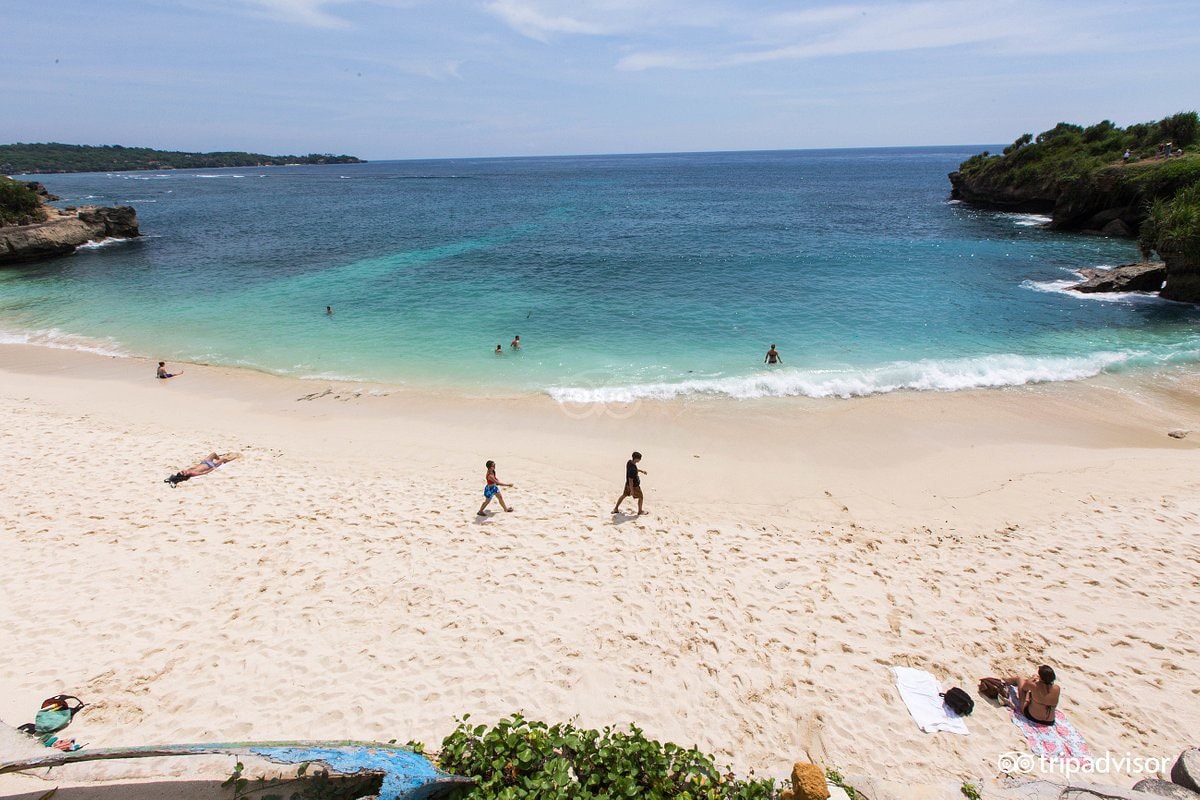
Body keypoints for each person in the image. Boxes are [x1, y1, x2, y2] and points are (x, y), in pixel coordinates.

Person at [165, 452, 242, 486]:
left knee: (213, 454)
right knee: (223, 460)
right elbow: (204, 472)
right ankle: (231, 458)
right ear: (185, 476)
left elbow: (175, 478)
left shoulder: (187, 471)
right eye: (184, 473)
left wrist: (172, 479)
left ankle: (220, 458)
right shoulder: (192, 473)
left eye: (182, 471)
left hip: (204, 462)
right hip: (210, 465)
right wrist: (213, 468)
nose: (184, 471)